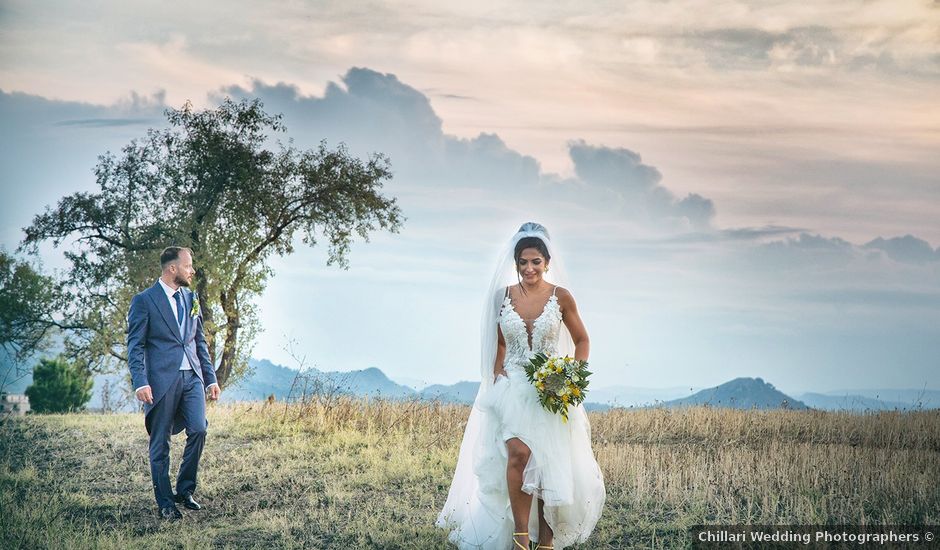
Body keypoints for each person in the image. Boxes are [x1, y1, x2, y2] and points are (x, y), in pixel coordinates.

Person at [436, 223, 605, 549]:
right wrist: (498, 372)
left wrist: (570, 376)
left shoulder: (562, 297)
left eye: (536, 262)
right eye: (523, 262)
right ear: (515, 263)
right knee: (519, 455)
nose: (529, 268)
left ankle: (547, 539)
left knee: (549, 463)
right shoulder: (502, 298)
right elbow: (498, 344)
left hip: (551, 389)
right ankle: (520, 537)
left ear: (546, 262)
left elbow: (582, 340)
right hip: (511, 390)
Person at [127, 246, 221, 520]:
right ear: (172, 268)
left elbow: (198, 341)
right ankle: (166, 502)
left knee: (199, 429)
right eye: (188, 266)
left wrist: (210, 378)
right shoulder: (144, 300)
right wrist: (141, 382)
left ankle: (185, 489)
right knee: (160, 443)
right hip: (161, 382)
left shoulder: (191, 297)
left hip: (192, 377)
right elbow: (135, 346)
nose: (192, 271)